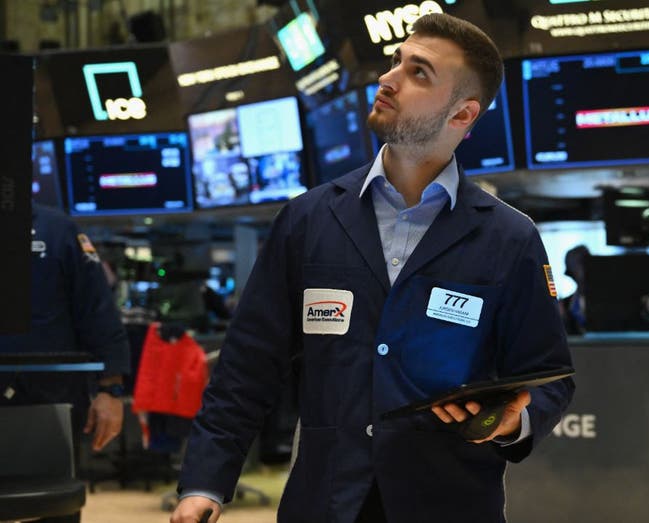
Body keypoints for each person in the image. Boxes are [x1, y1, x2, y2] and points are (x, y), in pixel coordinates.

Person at [171, 13, 574, 523]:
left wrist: (510, 422)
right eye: (395, 63)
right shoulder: (308, 219)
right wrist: (206, 481)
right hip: (325, 504)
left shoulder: (509, 237)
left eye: (418, 72)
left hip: (449, 505)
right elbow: (246, 368)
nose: (388, 78)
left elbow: (549, 378)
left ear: (462, 114)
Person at [0, 203, 131, 523]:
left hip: (50, 402)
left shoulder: (58, 230)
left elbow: (97, 311)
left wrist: (110, 390)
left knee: (54, 511)